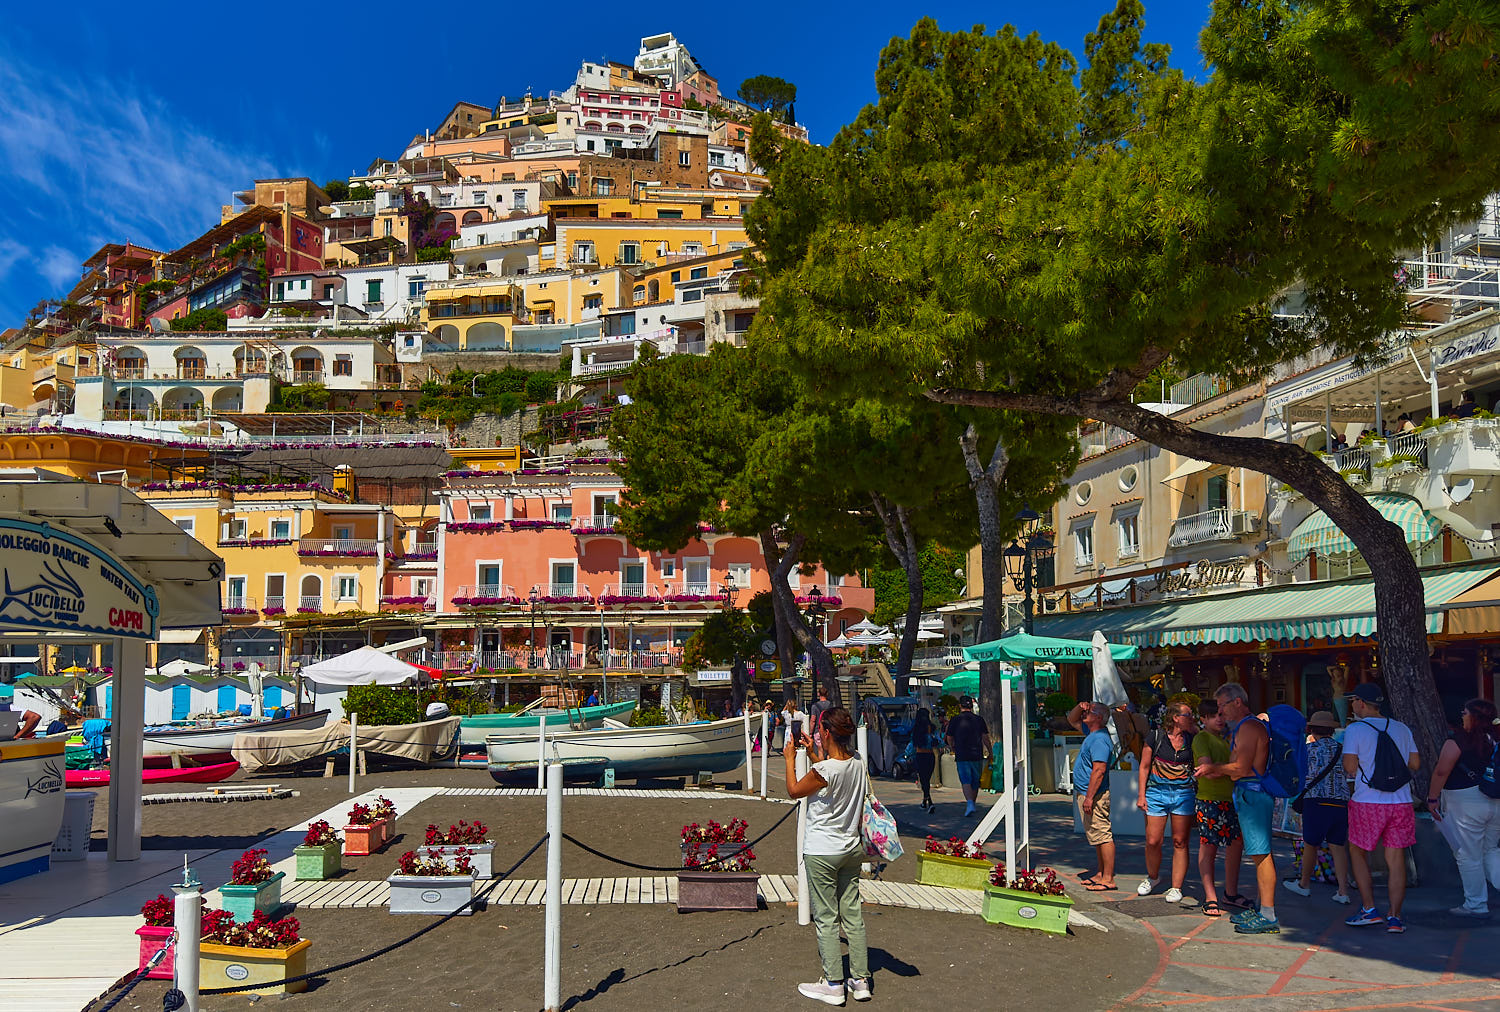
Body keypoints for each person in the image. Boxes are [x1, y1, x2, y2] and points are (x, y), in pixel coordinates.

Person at [785, 707, 871, 1005]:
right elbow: (830, 775)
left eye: (820, 729)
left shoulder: (825, 770)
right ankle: (860, 980)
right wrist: (813, 754)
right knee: (852, 915)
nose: (817, 733)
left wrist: (788, 759)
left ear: (826, 732)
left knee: (826, 918)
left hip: (823, 849)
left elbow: (795, 790)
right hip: (850, 847)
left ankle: (834, 983)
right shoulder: (857, 762)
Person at [1196, 683, 1279, 933]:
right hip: (1249, 794)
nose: (1221, 712)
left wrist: (1214, 768)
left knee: (1261, 855)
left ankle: (1268, 914)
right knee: (1257, 854)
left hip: (1253, 794)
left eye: (1222, 705)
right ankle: (1264, 911)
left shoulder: (1249, 727)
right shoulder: (1246, 727)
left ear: (1237, 702)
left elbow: (1241, 768)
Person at [1341, 682, 1421, 933]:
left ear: (1361, 702)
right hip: (1401, 801)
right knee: (1396, 860)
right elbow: (1415, 764)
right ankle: (1395, 918)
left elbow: (1350, 767)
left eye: (1353, 700)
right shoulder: (1401, 728)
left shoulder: (1356, 730)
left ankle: (1369, 909)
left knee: (1357, 852)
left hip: (1368, 801)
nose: (1352, 705)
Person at [1426, 698, 1500, 917]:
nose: (1462, 715)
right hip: (1496, 801)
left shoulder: (1458, 740)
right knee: (1490, 850)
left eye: (1465, 712)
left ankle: (1476, 904)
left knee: (1468, 854)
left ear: (1473, 717)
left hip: (1465, 801)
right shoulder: (1496, 739)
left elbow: (1441, 771)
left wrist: (1432, 798)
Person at [1283, 711, 1353, 905]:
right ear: (1331, 729)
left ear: (1311, 729)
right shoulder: (1341, 749)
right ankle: (1342, 891)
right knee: (1338, 846)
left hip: (1316, 801)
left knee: (1310, 844)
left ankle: (1304, 884)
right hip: (1340, 801)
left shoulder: (1308, 750)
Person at [1137, 701, 1198, 903]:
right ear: (1175, 718)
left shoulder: (1192, 738)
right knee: (1153, 840)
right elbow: (1144, 766)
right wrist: (1141, 795)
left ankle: (1176, 886)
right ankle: (1153, 877)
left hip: (1183, 793)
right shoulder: (1155, 736)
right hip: (1156, 792)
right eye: (1188, 715)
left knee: (1180, 841)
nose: (1192, 718)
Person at [1193, 699, 1244, 917]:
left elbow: (1218, 769)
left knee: (1235, 846)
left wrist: (1220, 769)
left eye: (1221, 715)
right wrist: (1230, 770)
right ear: (1203, 718)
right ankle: (1210, 896)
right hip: (1210, 798)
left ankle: (1230, 893)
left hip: (1231, 798)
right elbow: (1208, 771)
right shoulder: (1202, 738)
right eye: (1214, 716)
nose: (1219, 719)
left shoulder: (1227, 738)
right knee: (1209, 847)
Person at [1068, 700, 1117, 891]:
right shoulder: (1093, 734)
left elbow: (1099, 769)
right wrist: (1080, 707)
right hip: (1089, 793)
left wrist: (1089, 797)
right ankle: (1101, 872)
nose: (1086, 713)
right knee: (1096, 835)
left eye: (1091, 711)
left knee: (1102, 834)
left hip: (1095, 795)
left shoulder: (1099, 739)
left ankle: (1108, 878)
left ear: (1099, 718)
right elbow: (1071, 719)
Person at [944, 696, 991, 817]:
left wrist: (952, 747)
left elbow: (949, 737)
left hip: (962, 753)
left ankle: (970, 803)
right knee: (975, 780)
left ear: (960, 706)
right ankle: (972, 803)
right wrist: (990, 751)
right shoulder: (979, 719)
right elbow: (985, 737)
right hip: (977, 753)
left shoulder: (955, 720)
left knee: (965, 780)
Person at [909, 708, 939, 812]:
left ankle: (929, 802)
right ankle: (926, 801)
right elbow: (939, 741)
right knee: (927, 779)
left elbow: (912, 744)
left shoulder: (916, 729)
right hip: (930, 755)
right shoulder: (932, 728)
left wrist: (907, 755)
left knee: (923, 780)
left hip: (920, 755)